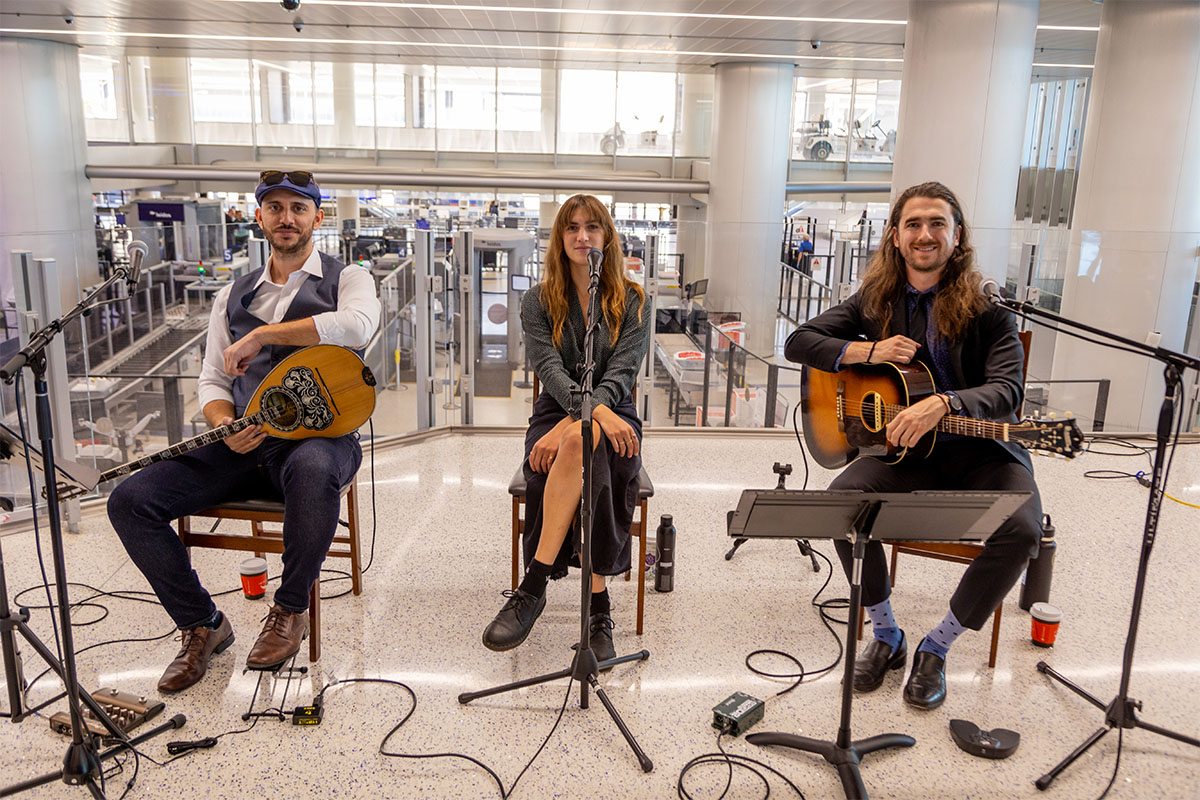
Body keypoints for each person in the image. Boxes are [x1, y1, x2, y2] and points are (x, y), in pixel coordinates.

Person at [107, 171, 381, 693]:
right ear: (259, 217)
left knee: (315, 469)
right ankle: (202, 625)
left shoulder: (350, 279)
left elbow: (358, 327)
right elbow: (212, 379)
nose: (286, 217)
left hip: (319, 438)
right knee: (130, 500)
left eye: (298, 208)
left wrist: (263, 334)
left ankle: (289, 610)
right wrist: (221, 425)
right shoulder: (231, 294)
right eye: (274, 207)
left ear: (317, 219)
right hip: (243, 443)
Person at [784, 181, 1041, 710]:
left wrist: (943, 403)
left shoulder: (989, 310)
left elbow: (1007, 389)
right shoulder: (874, 302)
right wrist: (867, 349)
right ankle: (887, 635)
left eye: (937, 224)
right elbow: (799, 342)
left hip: (982, 453)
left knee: (1021, 530)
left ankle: (937, 646)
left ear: (957, 235)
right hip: (904, 454)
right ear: (895, 236)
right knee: (842, 506)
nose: (925, 234)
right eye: (914, 224)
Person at [482, 194, 649, 663]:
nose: (582, 236)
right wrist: (578, 418)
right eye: (572, 228)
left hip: (617, 409)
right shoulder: (537, 300)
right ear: (559, 238)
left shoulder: (635, 301)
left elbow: (620, 375)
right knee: (581, 439)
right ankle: (599, 610)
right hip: (556, 411)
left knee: (581, 441)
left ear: (607, 237)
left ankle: (532, 588)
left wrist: (582, 420)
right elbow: (550, 369)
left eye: (592, 227)